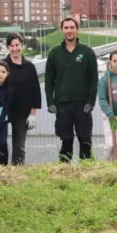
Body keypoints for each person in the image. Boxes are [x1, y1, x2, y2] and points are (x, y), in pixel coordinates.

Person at [44, 17, 98, 162]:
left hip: (83, 104)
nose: (69, 31)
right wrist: (50, 102)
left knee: (84, 138)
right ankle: (64, 170)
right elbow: (49, 81)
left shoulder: (87, 52)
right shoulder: (55, 53)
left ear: (77, 29)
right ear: (62, 30)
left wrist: (91, 102)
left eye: (72, 27)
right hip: (62, 104)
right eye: (66, 28)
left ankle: (86, 169)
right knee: (66, 139)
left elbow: (94, 80)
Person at [3, 33, 40, 165]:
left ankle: (17, 170)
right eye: (11, 46)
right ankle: (1, 168)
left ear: (22, 46)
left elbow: (35, 91)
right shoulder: (3, 66)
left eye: (17, 45)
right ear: (8, 47)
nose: (15, 48)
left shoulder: (29, 67)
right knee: (1, 143)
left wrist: (32, 113)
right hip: (4, 111)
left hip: (22, 112)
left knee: (19, 146)